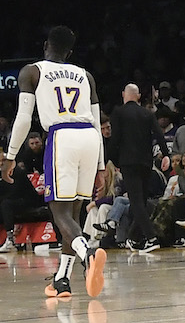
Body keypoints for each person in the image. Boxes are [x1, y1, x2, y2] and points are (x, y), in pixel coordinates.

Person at [2, 26, 108, 298]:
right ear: (70, 52)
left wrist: (11, 155)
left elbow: (24, 118)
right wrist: (100, 165)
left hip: (62, 136)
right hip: (89, 138)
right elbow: (97, 122)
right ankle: (62, 279)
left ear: (46, 44)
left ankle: (89, 254)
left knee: (59, 213)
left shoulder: (32, 71)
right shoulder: (86, 76)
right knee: (73, 215)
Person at [109, 83, 170, 252]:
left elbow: (115, 139)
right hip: (146, 162)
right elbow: (159, 134)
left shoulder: (118, 112)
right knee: (141, 202)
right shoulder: (147, 113)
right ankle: (134, 238)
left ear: (124, 94)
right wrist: (166, 154)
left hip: (128, 162)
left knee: (136, 202)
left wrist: (112, 160)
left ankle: (151, 238)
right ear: (138, 96)